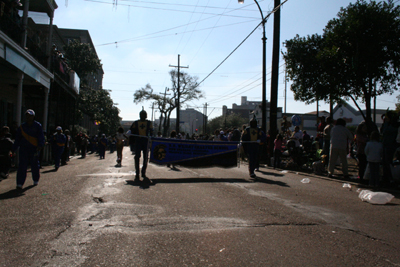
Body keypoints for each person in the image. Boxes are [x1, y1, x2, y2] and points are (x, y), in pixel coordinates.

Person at [12, 109, 45, 190]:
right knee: (22, 166)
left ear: (33, 116)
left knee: (34, 165)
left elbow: (41, 137)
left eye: (30, 115)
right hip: (24, 149)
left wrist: (40, 145)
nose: (28, 117)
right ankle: (20, 183)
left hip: (34, 149)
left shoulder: (37, 126)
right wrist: (13, 149)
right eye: (27, 115)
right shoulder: (22, 127)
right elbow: (17, 139)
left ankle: (35, 179)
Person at [130, 108, 153, 182]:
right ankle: (137, 173)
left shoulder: (149, 123)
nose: (143, 116)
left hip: (145, 141)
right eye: (142, 114)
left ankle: (143, 172)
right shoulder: (136, 123)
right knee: (137, 157)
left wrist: (150, 138)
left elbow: (152, 132)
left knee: (145, 157)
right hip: (138, 141)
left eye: (144, 114)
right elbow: (132, 131)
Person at [380, 111, 399, 186]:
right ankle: (386, 177)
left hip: (390, 145)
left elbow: (385, 131)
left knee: (388, 162)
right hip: (386, 145)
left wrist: (386, 123)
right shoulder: (388, 125)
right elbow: (382, 131)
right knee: (385, 162)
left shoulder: (393, 126)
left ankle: (389, 178)